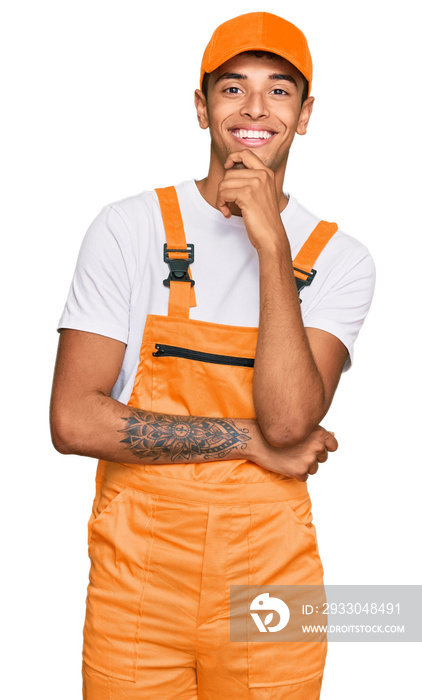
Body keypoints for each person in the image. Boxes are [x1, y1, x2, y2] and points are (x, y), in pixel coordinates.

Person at [50, 11, 375, 700]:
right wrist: (247, 442)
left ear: (306, 113)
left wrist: (271, 245)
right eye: (233, 88)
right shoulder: (128, 228)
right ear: (202, 107)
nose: (256, 107)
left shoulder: (340, 261)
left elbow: (291, 423)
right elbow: (74, 422)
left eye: (280, 90)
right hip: (134, 589)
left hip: (272, 592)